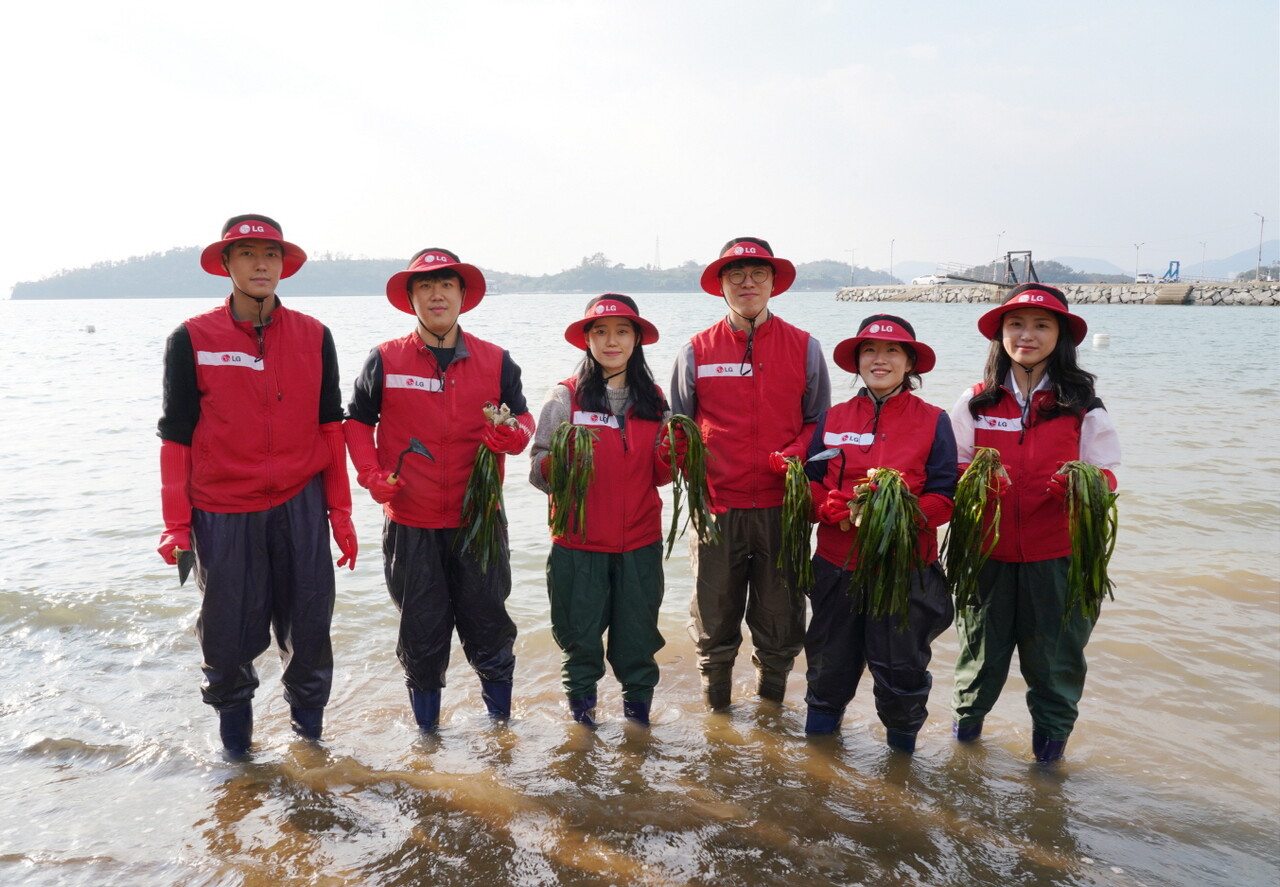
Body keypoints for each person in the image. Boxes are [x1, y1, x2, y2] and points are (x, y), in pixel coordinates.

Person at [156, 214, 357, 758]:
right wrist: (176, 524)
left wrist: (340, 514)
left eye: (270, 253)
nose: (261, 263)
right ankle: (237, 763)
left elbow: (329, 429)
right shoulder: (192, 337)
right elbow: (176, 437)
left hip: (300, 502)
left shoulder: (315, 336)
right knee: (226, 639)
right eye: (246, 254)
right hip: (222, 509)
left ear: (284, 264)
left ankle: (310, 751)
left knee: (310, 630)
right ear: (227, 264)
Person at [344, 248, 533, 733]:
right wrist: (370, 474)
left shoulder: (496, 360)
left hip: (480, 523)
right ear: (410, 298)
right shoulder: (385, 359)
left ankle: (501, 734)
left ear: (462, 296)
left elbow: (523, 419)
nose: (436, 294)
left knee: (491, 632)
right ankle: (428, 742)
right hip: (412, 524)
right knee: (422, 638)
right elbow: (358, 423)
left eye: (446, 285)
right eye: (425, 286)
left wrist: (511, 434)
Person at [949, 283, 1121, 763]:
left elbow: (1106, 469)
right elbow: (953, 463)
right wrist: (976, 482)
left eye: (1042, 325)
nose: (1027, 334)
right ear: (1000, 334)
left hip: (1058, 557)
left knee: (1055, 667)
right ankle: (963, 759)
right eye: (1016, 324)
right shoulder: (977, 400)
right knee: (979, 663)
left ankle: (1049, 773)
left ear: (1060, 335)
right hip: (987, 555)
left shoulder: (1081, 401)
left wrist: (1082, 484)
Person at [669, 237, 832, 710]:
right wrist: (697, 481)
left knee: (780, 622)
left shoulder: (805, 348)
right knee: (713, 621)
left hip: (783, 509)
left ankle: (770, 718)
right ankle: (716, 717)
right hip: (717, 509)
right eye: (735, 274)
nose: (747, 283)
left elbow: (819, 423)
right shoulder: (696, 351)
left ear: (773, 283)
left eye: (758, 273)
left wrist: (797, 453)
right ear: (720, 284)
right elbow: (678, 428)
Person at [802, 315, 957, 753]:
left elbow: (945, 495)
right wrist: (824, 505)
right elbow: (812, 478)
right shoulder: (833, 417)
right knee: (828, 666)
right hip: (837, 566)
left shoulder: (934, 420)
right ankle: (818, 759)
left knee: (901, 672)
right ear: (857, 361)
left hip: (905, 571)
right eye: (869, 350)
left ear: (910, 362)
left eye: (892, 351)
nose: (880, 359)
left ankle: (902, 765)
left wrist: (902, 515)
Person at [528, 295, 674, 728]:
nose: (611, 340)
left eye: (622, 331)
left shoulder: (654, 399)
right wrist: (561, 459)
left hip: (640, 545)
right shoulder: (565, 397)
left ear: (637, 339)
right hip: (578, 545)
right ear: (587, 339)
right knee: (580, 646)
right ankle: (582, 734)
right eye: (600, 331)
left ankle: (638, 734)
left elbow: (661, 475)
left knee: (638, 647)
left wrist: (675, 453)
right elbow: (537, 471)